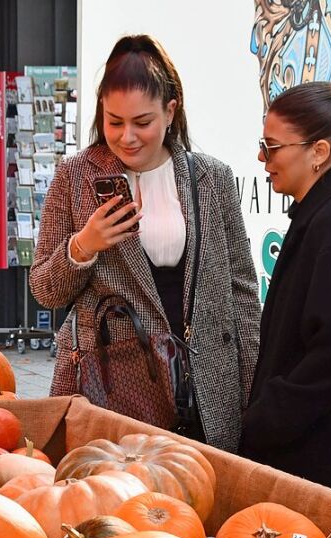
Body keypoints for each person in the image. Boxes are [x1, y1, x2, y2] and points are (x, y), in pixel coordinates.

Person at [29, 34, 261, 452]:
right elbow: (44, 290)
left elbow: (242, 290)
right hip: (116, 384)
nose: (126, 137)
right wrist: (83, 246)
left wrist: (250, 387)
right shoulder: (75, 176)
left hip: (207, 383)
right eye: (114, 121)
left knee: (204, 499)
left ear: (170, 112)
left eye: (142, 122)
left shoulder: (211, 177)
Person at [239, 81, 331, 499]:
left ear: (319, 153)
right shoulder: (327, 218)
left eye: (272, 147)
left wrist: (264, 418)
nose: (261, 158)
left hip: (315, 466)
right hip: (315, 457)